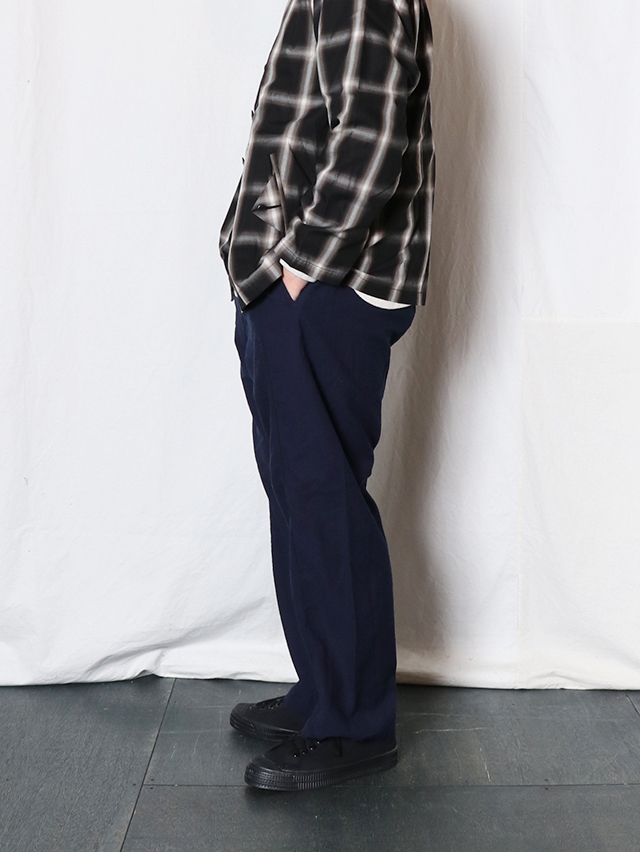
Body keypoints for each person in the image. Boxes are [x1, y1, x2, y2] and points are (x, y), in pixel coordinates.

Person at [218, 0, 435, 792]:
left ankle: (353, 723)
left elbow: (369, 138)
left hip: (327, 290)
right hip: (298, 289)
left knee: (322, 499)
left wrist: (301, 268)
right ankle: (324, 692)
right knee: (300, 493)